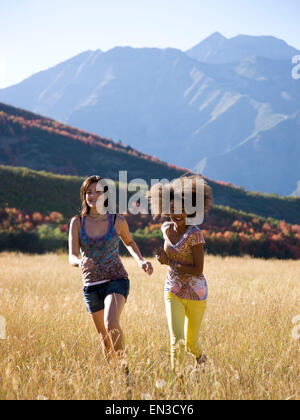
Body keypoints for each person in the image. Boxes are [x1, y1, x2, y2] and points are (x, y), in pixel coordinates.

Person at [69, 175, 153, 369]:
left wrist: (141, 261)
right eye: (89, 192)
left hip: (117, 280)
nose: (93, 195)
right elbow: (71, 256)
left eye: (98, 191)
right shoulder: (77, 222)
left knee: (111, 324)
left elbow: (129, 242)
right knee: (104, 338)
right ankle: (113, 376)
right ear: (84, 196)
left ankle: (125, 371)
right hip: (91, 286)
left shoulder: (117, 220)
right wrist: (80, 262)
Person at [150, 175, 213, 376]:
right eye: (172, 208)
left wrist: (170, 263)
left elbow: (198, 269)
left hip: (196, 293)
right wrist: (161, 256)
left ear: (191, 210)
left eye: (182, 208)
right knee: (176, 341)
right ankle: (179, 385)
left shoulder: (195, 235)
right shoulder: (165, 229)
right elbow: (168, 253)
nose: (177, 213)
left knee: (190, 344)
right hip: (173, 289)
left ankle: (201, 360)